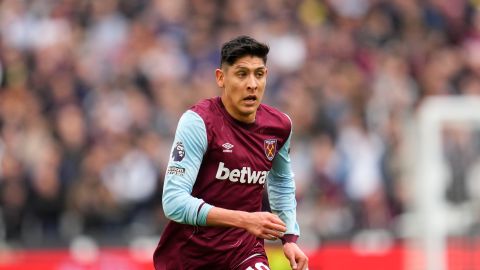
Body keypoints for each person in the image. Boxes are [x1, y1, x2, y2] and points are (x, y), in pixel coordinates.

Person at [153, 35, 309, 270]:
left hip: (244, 252)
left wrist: (289, 237)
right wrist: (246, 219)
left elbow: (282, 183)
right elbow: (173, 202)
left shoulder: (279, 127)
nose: (252, 84)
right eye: (241, 74)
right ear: (221, 78)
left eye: (259, 74)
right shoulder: (199, 122)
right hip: (190, 256)